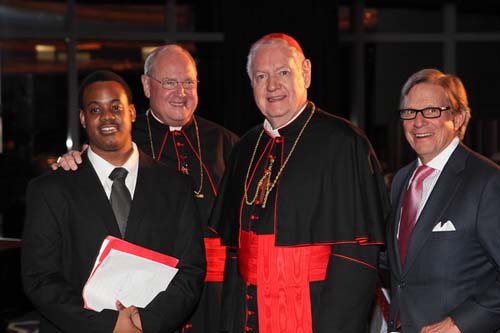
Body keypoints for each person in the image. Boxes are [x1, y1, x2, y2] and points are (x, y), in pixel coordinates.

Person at [209, 33, 389, 332]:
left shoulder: (343, 143)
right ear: (251, 83)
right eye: (261, 76)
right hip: (248, 317)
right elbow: (236, 256)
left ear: (305, 72)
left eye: (283, 72)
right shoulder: (245, 146)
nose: (272, 86)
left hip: (315, 314)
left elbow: (357, 259)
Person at [53, 45, 238, 332]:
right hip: (146, 294)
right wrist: (72, 161)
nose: (182, 92)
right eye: (170, 83)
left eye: (189, 82)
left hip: (219, 291)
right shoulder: (123, 137)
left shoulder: (227, 142)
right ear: (146, 86)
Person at [22, 70, 206, 333]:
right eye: (95, 109)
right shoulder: (50, 189)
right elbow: (40, 278)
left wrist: (145, 322)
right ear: (83, 119)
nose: (107, 116)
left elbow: (191, 270)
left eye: (115, 107)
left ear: (131, 113)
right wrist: (109, 326)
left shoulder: (175, 185)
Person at [386, 68, 500, 333]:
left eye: (431, 111)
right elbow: (405, 265)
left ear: (458, 118)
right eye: (410, 112)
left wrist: (460, 323)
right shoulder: (401, 181)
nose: (418, 122)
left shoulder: (486, 182)